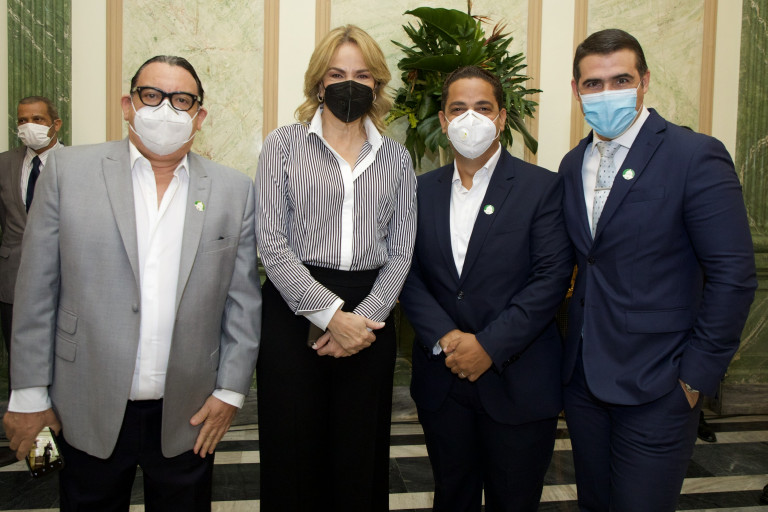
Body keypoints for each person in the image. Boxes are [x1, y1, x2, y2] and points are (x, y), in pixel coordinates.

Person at [2, 55, 261, 511]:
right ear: (128, 105)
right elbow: (36, 291)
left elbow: (242, 302)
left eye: (181, 100)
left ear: (199, 116)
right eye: (152, 95)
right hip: (81, 404)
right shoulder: (66, 172)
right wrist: (27, 394)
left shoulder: (234, 190)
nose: (165, 110)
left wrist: (230, 392)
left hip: (190, 412)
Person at [559, 29, 756, 512]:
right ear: (576, 90)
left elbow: (732, 276)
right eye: (594, 84)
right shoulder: (571, 164)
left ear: (644, 81)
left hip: (660, 385)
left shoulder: (694, 155)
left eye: (621, 80)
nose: (607, 93)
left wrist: (694, 379)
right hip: (585, 383)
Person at [255, 25, 417, 512]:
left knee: (358, 456)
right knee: (292, 454)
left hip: (371, 315)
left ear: (377, 83)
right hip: (293, 308)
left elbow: (401, 251)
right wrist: (330, 316)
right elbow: (272, 243)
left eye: (362, 75)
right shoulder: (282, 145)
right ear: (318, 83)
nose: (350, 84)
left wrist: (362, 321)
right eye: (337, 74)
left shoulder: (397, 158)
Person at [399, 65, 574, 512]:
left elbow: (550, 278)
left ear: (501, 118)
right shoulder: (418, 191)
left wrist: (488, 346)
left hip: (518, 381)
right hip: (442, 381)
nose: (470, 119)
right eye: (458, 108)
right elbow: (406, 273)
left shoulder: (542, 187)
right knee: (451, 496)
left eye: (482, 107)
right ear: (443, 120)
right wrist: (446, 337)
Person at [0, 95, 63, 467]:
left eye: (38, 119)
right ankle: (40, 457)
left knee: (62, 368)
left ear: (56, 124)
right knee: (23, 367)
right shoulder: (4, 164)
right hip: (13, 283)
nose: (29, 126)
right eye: (23, 120)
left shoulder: (75, 164)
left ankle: (72, 443)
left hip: (63, 283)